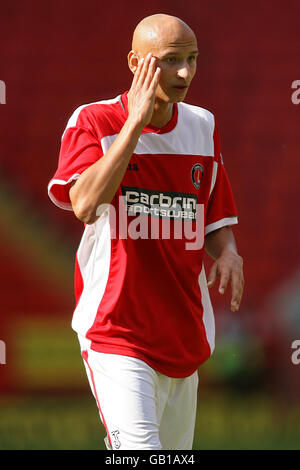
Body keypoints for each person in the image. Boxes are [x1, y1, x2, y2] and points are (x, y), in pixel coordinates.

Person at [48, 13, 244, 450]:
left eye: (192, 59)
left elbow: (213, 214)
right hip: (117, 330)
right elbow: (84, 205)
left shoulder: (202, 126)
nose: (184, 73)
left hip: (181, 332)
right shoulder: (94, 122)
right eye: (171, 60)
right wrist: (133, 126)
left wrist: (228, 251)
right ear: (135, 63)